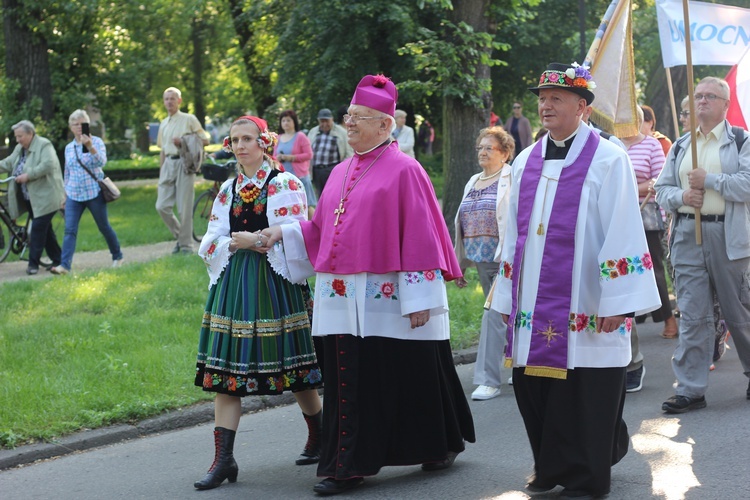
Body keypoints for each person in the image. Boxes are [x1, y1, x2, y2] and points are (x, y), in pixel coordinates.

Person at [262, 74, 475, 496]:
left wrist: (421, 299)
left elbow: (421, 236)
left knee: (412, 372)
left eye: (358, 117)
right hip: (342, 297)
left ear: (385, 125)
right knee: (351, 375)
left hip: (391, 295)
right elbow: (322, 229)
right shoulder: (341, 171)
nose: (349, 123)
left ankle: (438, 443)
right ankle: (349, 463)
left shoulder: (406, 169)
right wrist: (284, 234)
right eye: (348, 116)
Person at [491, 62, 660, 498]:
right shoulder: (526, 159)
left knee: (585, 392)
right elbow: (513, 233)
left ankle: (586, 475)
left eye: (556, 99)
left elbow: (623, 227)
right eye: (542, 99)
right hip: (534, 302)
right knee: (536, 390)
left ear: (582, 107)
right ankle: (550, 466)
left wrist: (618, 301)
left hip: (587, 299)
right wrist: (506, 291)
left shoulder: (608, 158)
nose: (545, 105)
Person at [192, 115, 323, 490]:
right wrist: (236, 242)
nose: (241, 145)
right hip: (235, 284)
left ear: (264, 143)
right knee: (227, 374)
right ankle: (223, 460)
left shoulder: (283, 182)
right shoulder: (228, 189)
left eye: (248, 138)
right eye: (235, 140)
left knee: (295, 369)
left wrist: (260, 239)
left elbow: (298, 229)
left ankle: (320, 434)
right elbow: (213, 236)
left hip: (275, 281)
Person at [654, 76, 750, 413]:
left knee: (739, 311)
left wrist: (708, 181)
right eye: (698, 96)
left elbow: (747, 185)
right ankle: (691, 389)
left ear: (725, 105)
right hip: (687, 235)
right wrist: (683, 195)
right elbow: (661, 190)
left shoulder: (741, 141)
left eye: (711, 96)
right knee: (693, 314)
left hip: (729, 236)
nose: (703, 101)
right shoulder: (682, 145)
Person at [453, 126, 514, 400]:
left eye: (489, 147)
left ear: (505, 153)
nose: (483, 151)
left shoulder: (512, 177)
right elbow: (462, 222)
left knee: (493, 315)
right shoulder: (473, 180)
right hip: (480, 259)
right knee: (509, 315)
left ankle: (488, 380)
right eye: (480, 147)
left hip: (505, 258)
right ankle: (521, 364)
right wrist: (460, 262)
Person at [50, 110, 123, 275]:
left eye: (81, 124)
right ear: (70, 127)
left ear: (87, 125)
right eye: (75, 124)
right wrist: (65, 194)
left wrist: (89, 146)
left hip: (93, 193)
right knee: (70, 229)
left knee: (104, 227)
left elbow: (101, 162)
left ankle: (117, 256)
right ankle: (65, 266)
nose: (78, 127)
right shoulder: (69, 148)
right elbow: (67, 172)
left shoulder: (96, 142)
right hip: (74, 195)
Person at [0, 120, 64, 275]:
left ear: (30, 133)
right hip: (30, 198)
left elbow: (48, 164)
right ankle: (58, 259)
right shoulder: (20, 148)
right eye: (16, 137)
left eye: (20, 136)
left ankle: (33, 264)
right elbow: (8, 163)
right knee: (45, 229)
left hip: (46, 197)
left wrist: (29, 175)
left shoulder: (44, 145)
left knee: (37, 229)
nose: (18, 139)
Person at [155, 87, 209, 254]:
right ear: (163, 102)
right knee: (161, 206)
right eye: (166, 99)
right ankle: (181, 237)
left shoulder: (189, 119)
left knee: (184, 207)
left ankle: (186, 246)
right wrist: (161, 170)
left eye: (172, 98)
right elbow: (163, 150)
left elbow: (205, 140)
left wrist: (183, 141)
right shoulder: (163, 123)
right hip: (168, 165)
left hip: (185, 165)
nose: (169, 101)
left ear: (179, 101)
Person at [274, 110, 317, 219]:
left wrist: (289, 158)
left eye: (288, 120)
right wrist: (277, 159)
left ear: (294, 122)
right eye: (283, 120)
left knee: (307, 205)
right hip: (284, 179)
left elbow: (309, 155)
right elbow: (274, 156)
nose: (286, 123)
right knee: (290, 207)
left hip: (300, 177)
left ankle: (317, 229)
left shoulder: (300, 136)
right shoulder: (278, 138)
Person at [307, 108, 352, 197]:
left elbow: (349, 153)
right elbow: (308, 151)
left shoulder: (341, 132)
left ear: (332, 120)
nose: (324, 124)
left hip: (333, 169)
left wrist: (342, 170)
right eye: (322, 121)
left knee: (333, 195)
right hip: (316, 170)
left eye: (327, 121)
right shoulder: (313, 131)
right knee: (319, 197)